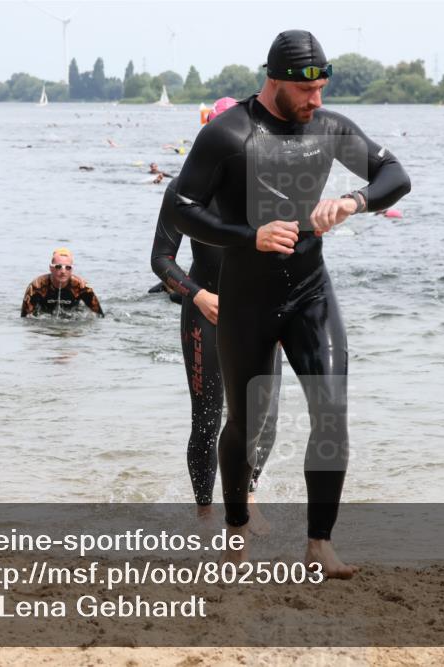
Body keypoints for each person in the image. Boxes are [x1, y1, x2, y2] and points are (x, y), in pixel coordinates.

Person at [173, 30, 410, 578]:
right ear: (275, 81)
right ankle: (235, 531)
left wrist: (354, 201)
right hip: (247, 299)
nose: (317, 102)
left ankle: (319, 544)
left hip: (310, 292)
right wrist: (246, 235)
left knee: (331, 410)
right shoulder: (227, 133)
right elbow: (183, 206)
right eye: (307, 92)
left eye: (323, 89)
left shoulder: (328, 128)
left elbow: (395, 176)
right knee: (245, 422)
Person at [151, 170, 283, 526]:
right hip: (207, 309)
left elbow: (292, 258)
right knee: (207, 418)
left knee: (265, 418)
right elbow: (161, 259)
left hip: (261, 313)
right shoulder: (186, 188)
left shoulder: (273, 184)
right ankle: (205, 513)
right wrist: (198, 294)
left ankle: (248, 498)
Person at [21, 248, 105, 318]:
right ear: (51, 268)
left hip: (72, 317)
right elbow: (24, 318)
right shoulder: (37, 286)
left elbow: (100, 316)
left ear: (72, 269)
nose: (63, 271)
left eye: (68, 267)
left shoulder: (82, 286)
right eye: (58, 267)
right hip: (44, 314)